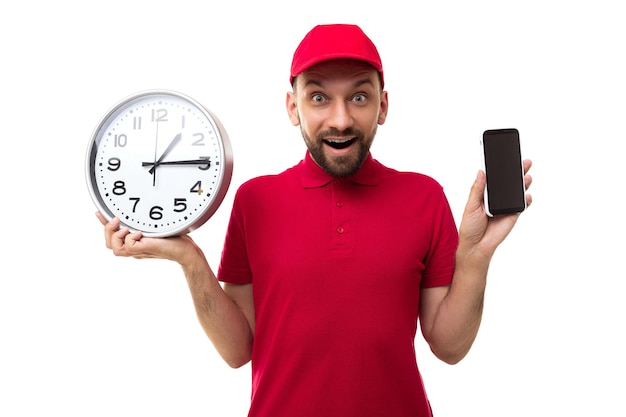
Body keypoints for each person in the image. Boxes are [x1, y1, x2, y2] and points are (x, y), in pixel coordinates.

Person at [97, 23, 533, 417]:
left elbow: (449, 346)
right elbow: (236, 350)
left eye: (359, 97)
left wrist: (476, 257)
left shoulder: (423, 196)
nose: (340, 119)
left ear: (383, 106)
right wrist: (190, 259)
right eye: (319, 97)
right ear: (293, 107)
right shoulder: (255, 200)